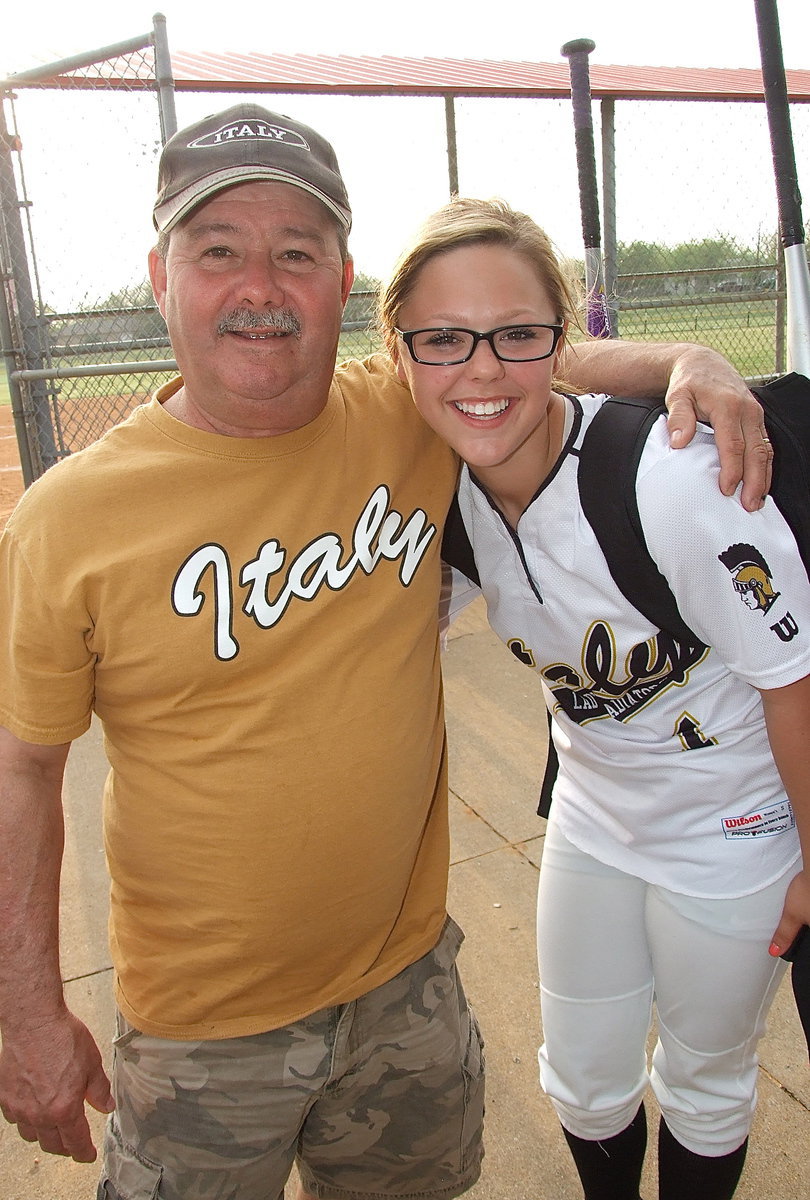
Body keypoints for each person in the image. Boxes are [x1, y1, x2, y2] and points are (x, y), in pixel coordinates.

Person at [0, 104, 773, 1200]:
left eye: (296, 253)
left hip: (406, 993)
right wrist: (23, 1006)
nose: (260, 284)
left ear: (344, 283)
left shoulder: (407, 414)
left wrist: (683, 357)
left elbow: (520, 352)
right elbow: (20, 769)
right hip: (202, 1036)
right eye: (217, 250)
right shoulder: (67, 519)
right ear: (161, 276)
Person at [380, 196, 810, 1200]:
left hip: (732, 823)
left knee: (704, 1078)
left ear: (560, 344)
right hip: (594, 812)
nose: (480, 369)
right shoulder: (436, 481)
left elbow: (793, 678)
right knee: (581, 1077)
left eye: (517, 335)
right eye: (443, 339)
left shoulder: (672, 481)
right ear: (400, 354)